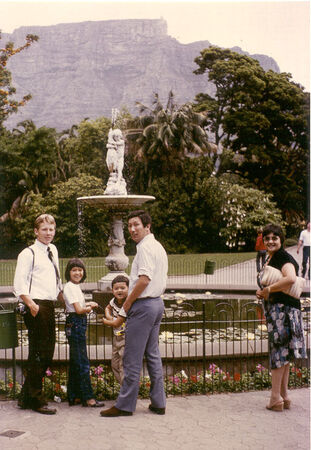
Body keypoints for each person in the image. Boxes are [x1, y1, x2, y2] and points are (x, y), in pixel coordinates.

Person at [100, 210, 168, 417]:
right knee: (153, 355)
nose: (131, 229)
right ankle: (158, 402)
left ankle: (125, 405)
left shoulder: (145, 248)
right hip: (157, 304)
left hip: (144, 306)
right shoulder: (157, 246)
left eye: (136, 225)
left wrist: (127, 305)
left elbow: (144, 280)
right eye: (129, 225)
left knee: (131, 357)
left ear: (148, 226)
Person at [13, 214, 63, 415]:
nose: (48, 233)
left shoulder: (53, 250)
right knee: (40, 352)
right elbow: (19, 283)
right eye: (44, 229)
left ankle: (26, 397)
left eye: (51, 229)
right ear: (36, 231)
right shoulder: (28, 253)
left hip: (48, 304)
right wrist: (32, 305)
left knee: (45, 352)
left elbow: (55, 278)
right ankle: (36, 399)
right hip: (35, 305)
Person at [256, 224, 306, 412]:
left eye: (274, 238)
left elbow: (291, 278)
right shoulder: (275, 257)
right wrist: (264, 292)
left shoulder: (283, 257)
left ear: (281, 240)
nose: (270, 241)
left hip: (282, 311)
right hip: (286, 309)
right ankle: (284, 396)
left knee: (278, 353)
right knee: (284, 355)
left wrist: (268, 289)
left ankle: (275, 397)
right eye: (267, 238)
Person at [63, 258, 105, 408]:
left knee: (76, 361)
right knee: (82, 362)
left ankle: (74, 396)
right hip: (76, 323)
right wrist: (90, 308)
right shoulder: (70, 287)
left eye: (80, 270)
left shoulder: (74, 286)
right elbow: (79, 310)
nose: (78, 273)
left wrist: (87, 304)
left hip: (75, 322)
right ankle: (89, 398)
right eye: (74, 270)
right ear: (68, 272)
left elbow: (77, 306)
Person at [102, 274, 129, 385]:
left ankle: (126, 394)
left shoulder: (128, 303)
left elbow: (117, 322)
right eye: (116, 288)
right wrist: (109, 316)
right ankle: (124, 389)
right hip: (116, 337)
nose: (119, 291)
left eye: (123, 288)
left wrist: (106, 321)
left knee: (123, 366)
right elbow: (107, 308)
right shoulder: (113, 301)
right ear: (112, 290)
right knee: (114, 364)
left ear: (128, 289)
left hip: (126, 338)